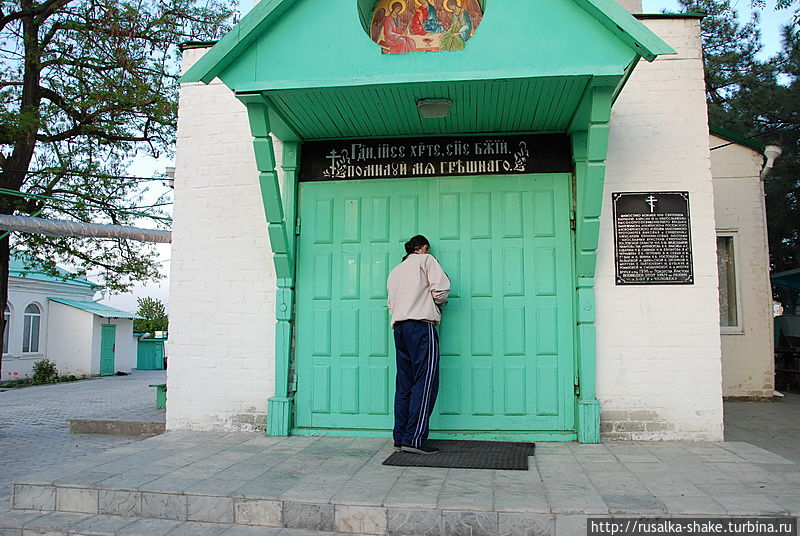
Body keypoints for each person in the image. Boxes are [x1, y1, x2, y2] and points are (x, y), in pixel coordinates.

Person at [387, 235, 450, 454]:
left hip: (400, 328)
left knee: (405, 383)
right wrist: (439, 302)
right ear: (423, 248)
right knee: (426, 381)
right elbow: (441, 289)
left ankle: (400, 438)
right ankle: (414, 439)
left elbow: (391, 302)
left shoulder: (395, 271)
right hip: (421, 327)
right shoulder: (426, 260)